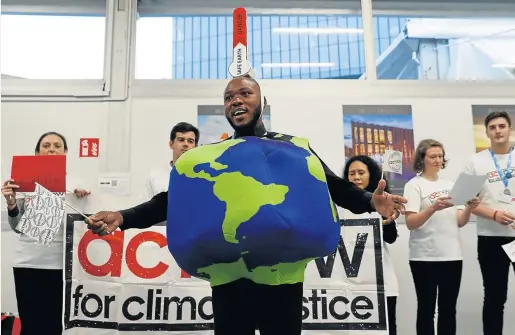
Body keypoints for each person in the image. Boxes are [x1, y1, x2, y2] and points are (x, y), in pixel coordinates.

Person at [85, 75, 407, 335]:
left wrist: (369, 201)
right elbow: (171, 202)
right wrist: (122, 217)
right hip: (229, 275)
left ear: (262, 102)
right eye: (228, 97)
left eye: (245, 93)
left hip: (282, 277)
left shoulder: (295, 148)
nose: (236, 100)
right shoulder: (213, 155)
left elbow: (334, 187)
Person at [1, 131, 91, 335]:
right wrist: (12, 203)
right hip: (29, 263)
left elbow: (86, 226)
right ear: (37, 152)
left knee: (58, 326)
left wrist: (83, 199)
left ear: (65, 152)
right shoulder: (23, 182)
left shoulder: (78, 184)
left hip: (65, 268)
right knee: (32, 326)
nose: (51, 149)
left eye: (57, 146)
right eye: (46, 145)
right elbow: (17, 227)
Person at [403, 139, 480, 335]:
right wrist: (432, 208)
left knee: (448, 309)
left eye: (440, 156)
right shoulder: (414, 185)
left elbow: (460, 221)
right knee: (426, 309)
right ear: (423, 159)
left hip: (452, 256)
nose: (438, 160)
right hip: (424, 257)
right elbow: (411, 222)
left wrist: (470, 206)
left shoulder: (451, 184)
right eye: (433, 156)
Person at [463, 110, 515, 335]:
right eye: (493, 128)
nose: (498, 131)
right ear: (486, 133)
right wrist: (493, 214)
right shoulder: (476, 162)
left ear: (510, 130)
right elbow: (464, 198)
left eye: (502, 126)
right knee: (495, 297)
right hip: (490, 239)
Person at [342, 155, 399, 335]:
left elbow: (391, 238)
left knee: (387, 328)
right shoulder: (339, 205)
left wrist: (387, 221)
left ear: (371, 176)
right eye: (352, 173)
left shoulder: (381, 204)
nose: (356, 177)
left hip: (381, 281)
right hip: (348, 283)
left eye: (361, 173)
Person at [146, 122, 199, 198]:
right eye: (181, 140)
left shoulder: (203, 178)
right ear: (171, 144)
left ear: (195, 147)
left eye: (190, 141)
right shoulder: (154, 176)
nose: (185, 144)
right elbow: (144, 208)